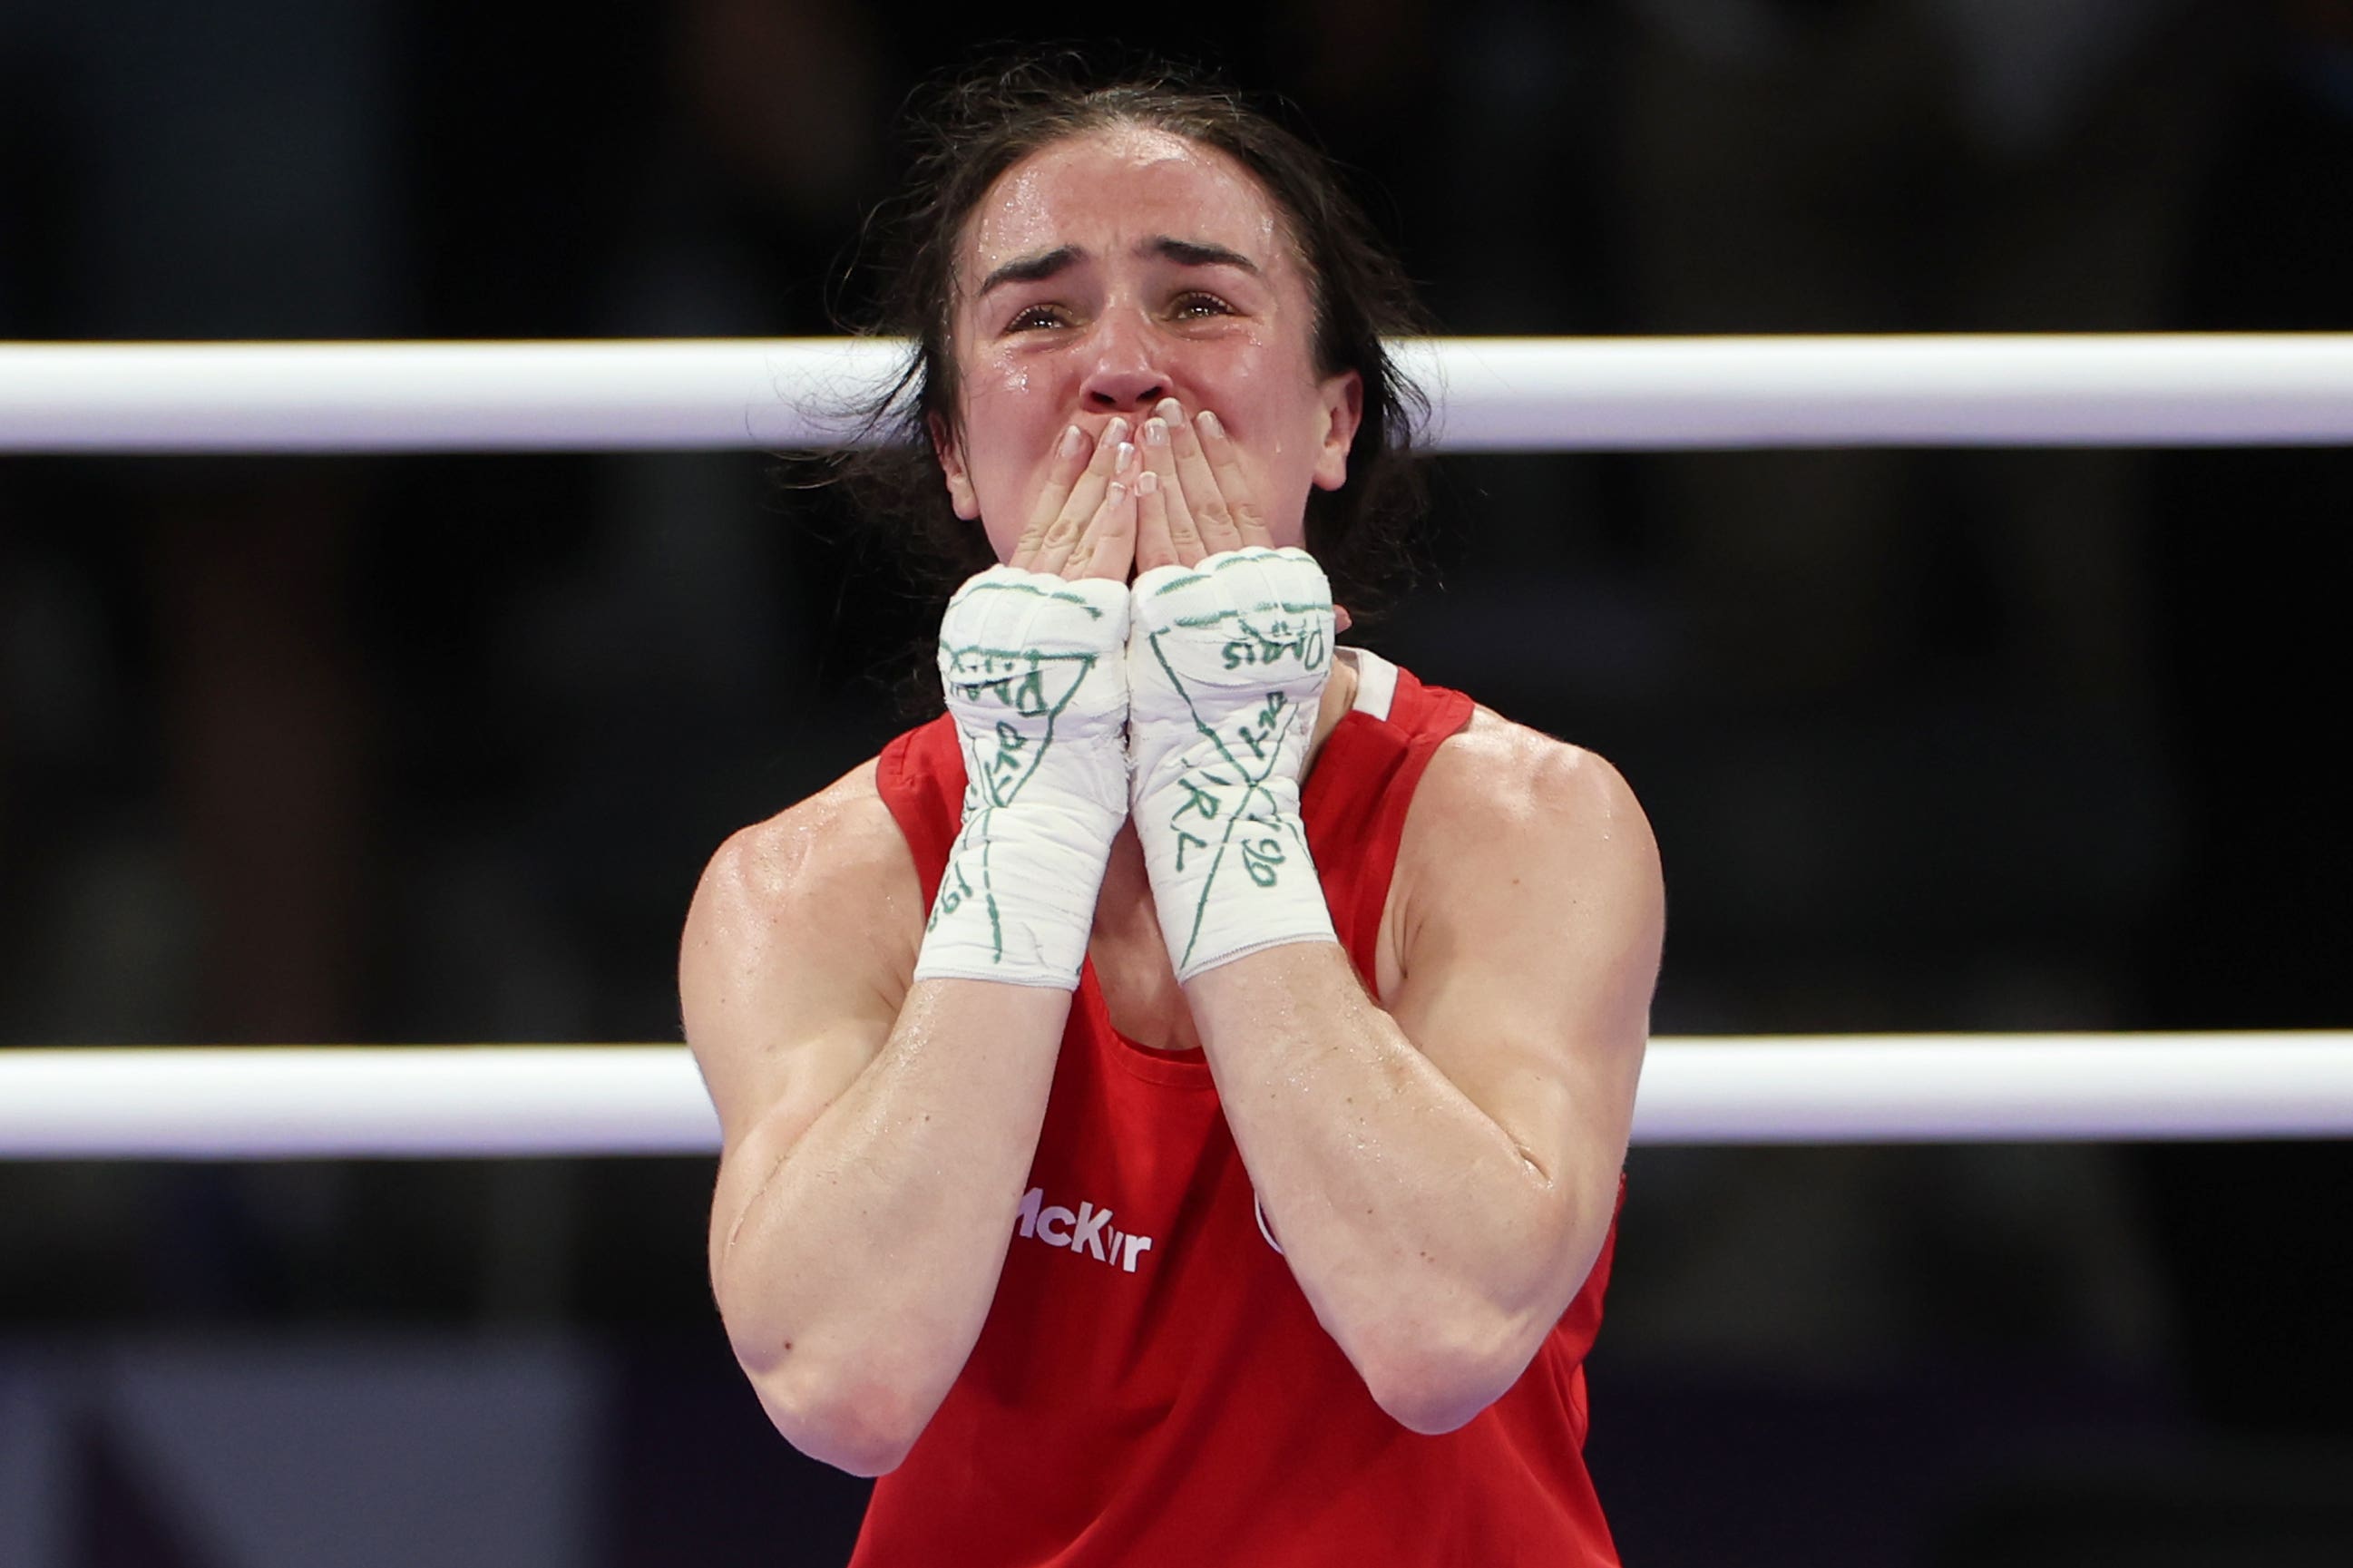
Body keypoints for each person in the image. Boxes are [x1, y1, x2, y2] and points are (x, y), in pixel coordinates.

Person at [679, 61, 1664, 1565]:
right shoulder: (810, 883)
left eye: (1199, 303)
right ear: (953, 449)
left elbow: (1443, 1324)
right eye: (1039, 315)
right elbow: (840, 1380)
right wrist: (1032, 805)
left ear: (1335, 418)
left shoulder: (1521, 825)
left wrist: (1217, 789)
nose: (1123, 368)